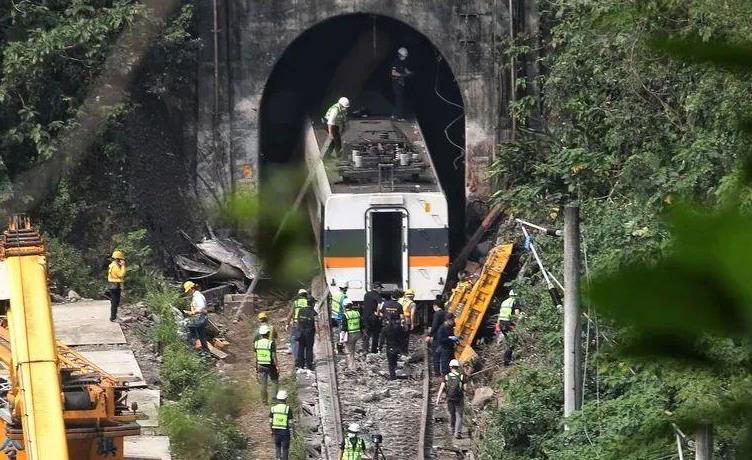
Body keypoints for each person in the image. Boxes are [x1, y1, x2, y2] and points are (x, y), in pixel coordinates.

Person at [435, 359, 467, 439]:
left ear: (450, 367)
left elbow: (441, 388)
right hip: (459, 398)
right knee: (459, 415)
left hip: (450, 398)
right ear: (458, 367)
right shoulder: (462, 376)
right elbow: (465, 389)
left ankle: (452, 429)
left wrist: (438, 398)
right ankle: (457, 432)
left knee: (451, 414)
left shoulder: (446, 377)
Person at [496, 289, 523, 365]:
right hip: (508, 323)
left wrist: (498, 325)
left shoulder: (504, 302)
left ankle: (507, 360)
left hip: (502, 323)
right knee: (513, 339)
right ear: (516, 296)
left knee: (510, 340)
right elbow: (517, 314)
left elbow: (500, 313)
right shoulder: (515, 301)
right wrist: (522, 317)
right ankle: (507, 360)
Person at [183, 281, 210, 354]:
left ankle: (196, 346)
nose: (188, 293)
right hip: (202, 317)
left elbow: (201, 307)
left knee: (186, 325)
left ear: (192, 289)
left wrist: (192, 312)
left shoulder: (197, 296)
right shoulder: (197, 295)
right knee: (201, 335)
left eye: (188, 291)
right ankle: (205, 351)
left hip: (200, 317)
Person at [254, 325, 279, 403]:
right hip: (270, 365)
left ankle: (264, 401)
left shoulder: (256, 343)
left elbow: (255, 356)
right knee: (274, 381)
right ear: (268, 333)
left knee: (263, 384)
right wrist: (277, 366)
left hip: (260, 365)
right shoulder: (270, 343)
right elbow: (274, 356)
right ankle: (274, 400)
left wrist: (255, 366)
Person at [270, 390, 294, 460]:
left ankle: (278, 458)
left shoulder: (273, 408)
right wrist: (292, 433)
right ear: (286, 399)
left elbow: (270, 421)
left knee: (277, 446)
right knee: (285, 449)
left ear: (277, 399)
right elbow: (290, 422)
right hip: (285, 432)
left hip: (276, 431)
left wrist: (271, 430)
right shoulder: (288, 409)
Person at [391, 47, 413, 120]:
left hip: (401, 83)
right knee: (399, 99)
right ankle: (399, 116)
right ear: (400, 55)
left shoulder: (402, 62)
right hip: (396, 83)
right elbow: (393, 73)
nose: (405, 58)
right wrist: (403, 75)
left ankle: (395, 114)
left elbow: (405, 69)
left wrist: (410, 73)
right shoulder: (396, 62)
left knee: (400, 99)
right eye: (404, 56)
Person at [295, 299, 318, 370]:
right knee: (309, 349)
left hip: (300, 332)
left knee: (301, 348)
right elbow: (316, 324)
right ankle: (309, 365)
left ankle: (300, 365)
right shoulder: (313, 312)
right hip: (309, 333)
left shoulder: (301, 310)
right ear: (312, 304)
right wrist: (318, 333)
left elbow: (298, 321)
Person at [427, 300, 447, 376]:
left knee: (436, 355)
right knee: (444, 355)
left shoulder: (437, 314)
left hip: (437, 336)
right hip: (445, 336)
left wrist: (429, 335)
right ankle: (444, 371)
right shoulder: (446, 313)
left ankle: (437, 372)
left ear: (435, 306)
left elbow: (434, 325)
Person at [435, 313, 458, 377]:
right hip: (444, 349)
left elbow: (452, 335)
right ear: (447, 320)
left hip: (450, 349)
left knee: (453, 365)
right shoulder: (442, 328)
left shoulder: (450, 327)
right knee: (445, 367)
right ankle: (445, 380)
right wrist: (449, 338)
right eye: (452, 320)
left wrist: (455, 340)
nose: (453, 321)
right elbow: (440, 339)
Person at [361, 283, 382, 353]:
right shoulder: (377, 295)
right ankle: (374, 350)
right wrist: (378, 313)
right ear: (377, 288)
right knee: (375, 334)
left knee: (367, 332)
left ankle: (365, 349)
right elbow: (380, 304)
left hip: (365, 316)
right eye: (380, 288)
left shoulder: (366, 294)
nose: (381, 289)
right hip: (373, 316)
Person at [287, 289, 308, 358]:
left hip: (297, 323)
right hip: (306, 323)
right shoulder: (308, 302)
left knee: (295, 340)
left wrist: (287, 323)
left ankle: (296, 358)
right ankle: (305, 358)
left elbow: (290, 314)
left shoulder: (296, 302)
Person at [107, 250, 126, 322]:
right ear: (118, 259)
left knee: (115, 302)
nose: (121, 260)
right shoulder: (115, 266)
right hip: (115, 286)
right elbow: (121, 274)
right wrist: (123, 266)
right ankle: (113, 317)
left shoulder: (112, 265)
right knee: (115, 302)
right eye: (120, 259)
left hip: (112, 285)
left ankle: (114, 316)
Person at [343, 299, 362, 369]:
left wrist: (342, 338)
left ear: (345, 307)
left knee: (349, 351)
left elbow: (344, 328)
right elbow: (361, 324)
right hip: (357, 334)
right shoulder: (357, 313)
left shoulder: (345, 315)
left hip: (349, 335)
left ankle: (351, 366)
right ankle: (352, 364)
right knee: (353, 350)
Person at [330, 282, 348, 353]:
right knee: (341, 333)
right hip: (339, 316)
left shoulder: (335, 294)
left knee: (335, 333)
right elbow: (344, 307)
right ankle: (339, 349)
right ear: (345, 289)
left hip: (333, 316)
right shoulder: (343, 296)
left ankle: (335, 347)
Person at [398, 288, 417, 353]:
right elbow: (412, 315)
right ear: (413, 296)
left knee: (399, 336)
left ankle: (399, 351)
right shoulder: (412, 304)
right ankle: (404, 352)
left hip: (399, 320)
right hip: (407, 320)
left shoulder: (400, 300)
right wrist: (412, 324)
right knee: (406, 337)